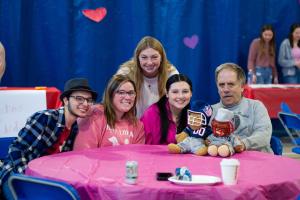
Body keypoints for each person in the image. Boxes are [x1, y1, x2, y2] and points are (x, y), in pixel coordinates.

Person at [0, 78, 98, 198]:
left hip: (46, 182)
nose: (85, 104)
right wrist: (28, 179)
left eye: (89, 100)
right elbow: (16, 150)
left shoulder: (75, 129)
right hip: (17, 177)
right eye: (79, 98)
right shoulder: (44, 118)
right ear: (66, 100)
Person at [212, 63, 273, 153]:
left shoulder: (256, 107)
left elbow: (264, 135)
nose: (225, 89)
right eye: (221, 85)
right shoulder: (211, 111)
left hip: (258, 162)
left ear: (242, 87)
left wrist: (242, 144)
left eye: (231, 84)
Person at [74, 75, 145, 150]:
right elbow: (84, 154)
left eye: (131, 93)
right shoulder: (94, 115)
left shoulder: (137, 125)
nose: (127, 97)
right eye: (121, 92)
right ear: (110, 94)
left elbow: (137, 158)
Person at [116, 36, 179, 117]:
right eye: (144, 57)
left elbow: (178, 104)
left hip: (159, 125)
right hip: (130, 124)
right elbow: (114, 102)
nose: (149, 62)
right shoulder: (126, 72)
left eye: (154, 57)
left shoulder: (171, 73)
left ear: (162, 58)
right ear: (137, 58)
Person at [141, 74, 192, 145]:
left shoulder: (194, 115)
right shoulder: (151, 114)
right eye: (175, 92)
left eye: (185, 91)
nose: (180, 96)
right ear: (167, 93)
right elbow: (143, 147)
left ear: (191, 94)